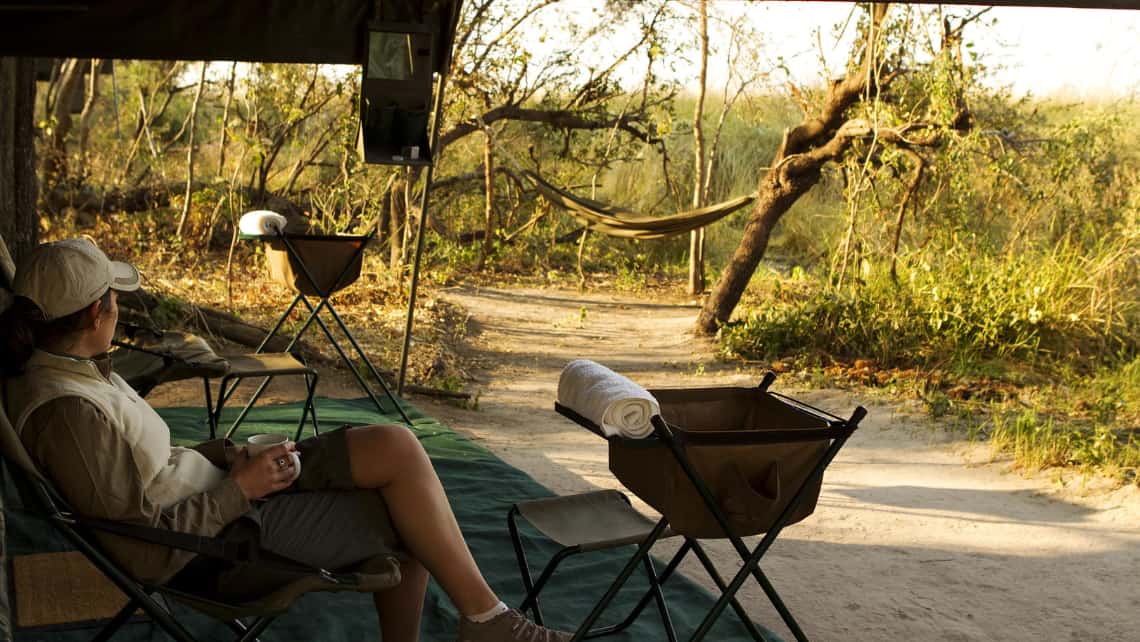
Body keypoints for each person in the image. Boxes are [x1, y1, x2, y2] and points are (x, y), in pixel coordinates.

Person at [0, 238, 570, 642]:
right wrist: (241, 490)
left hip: (218, 494)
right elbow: (140, 550)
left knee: (393, 445)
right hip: (214, 544)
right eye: (116, 300)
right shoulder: (68, 412)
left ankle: (485, 616)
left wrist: (230, 456)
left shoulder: (71, 367)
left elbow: (147, 472)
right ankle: (488, 621)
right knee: (408, 518)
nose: (119, 310)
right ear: (99, 311)